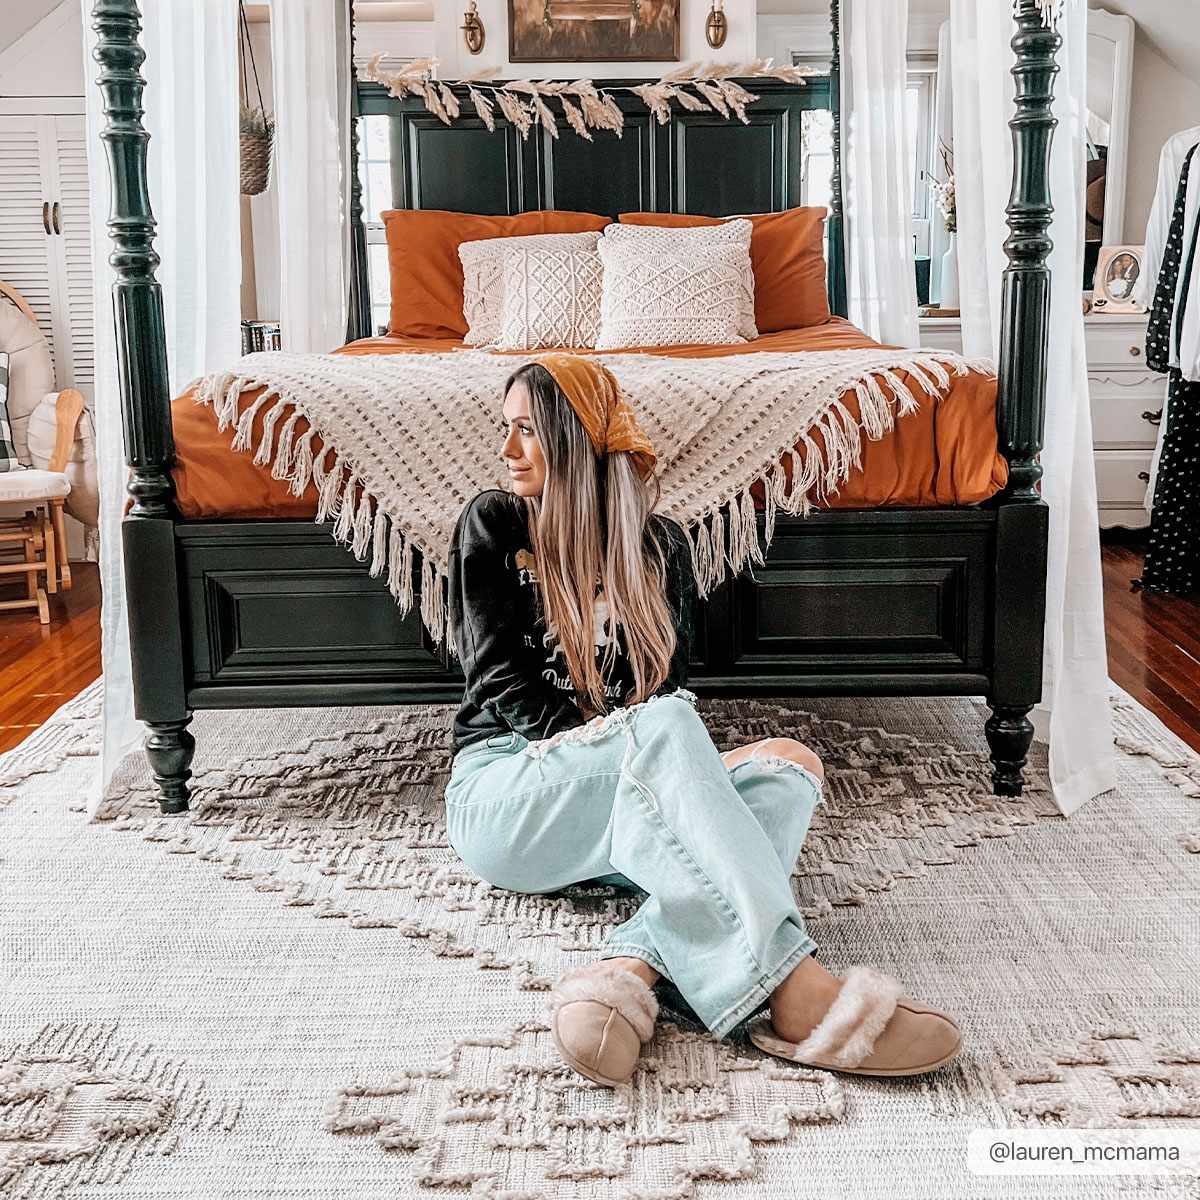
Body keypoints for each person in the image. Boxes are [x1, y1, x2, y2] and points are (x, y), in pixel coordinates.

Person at [444, 354, 962, 1087]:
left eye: (527, 430)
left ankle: (630, 977)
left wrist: (654, 757)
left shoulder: (662, 548)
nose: (508, 451)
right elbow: (497, 677)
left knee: (790, 765)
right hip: (508, 791)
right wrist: (625, 744)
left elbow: (663, 691)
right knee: (666, 723)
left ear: (574, 437)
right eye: (508, 430)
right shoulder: (494, 522)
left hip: (619, 815)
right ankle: (798, 991)